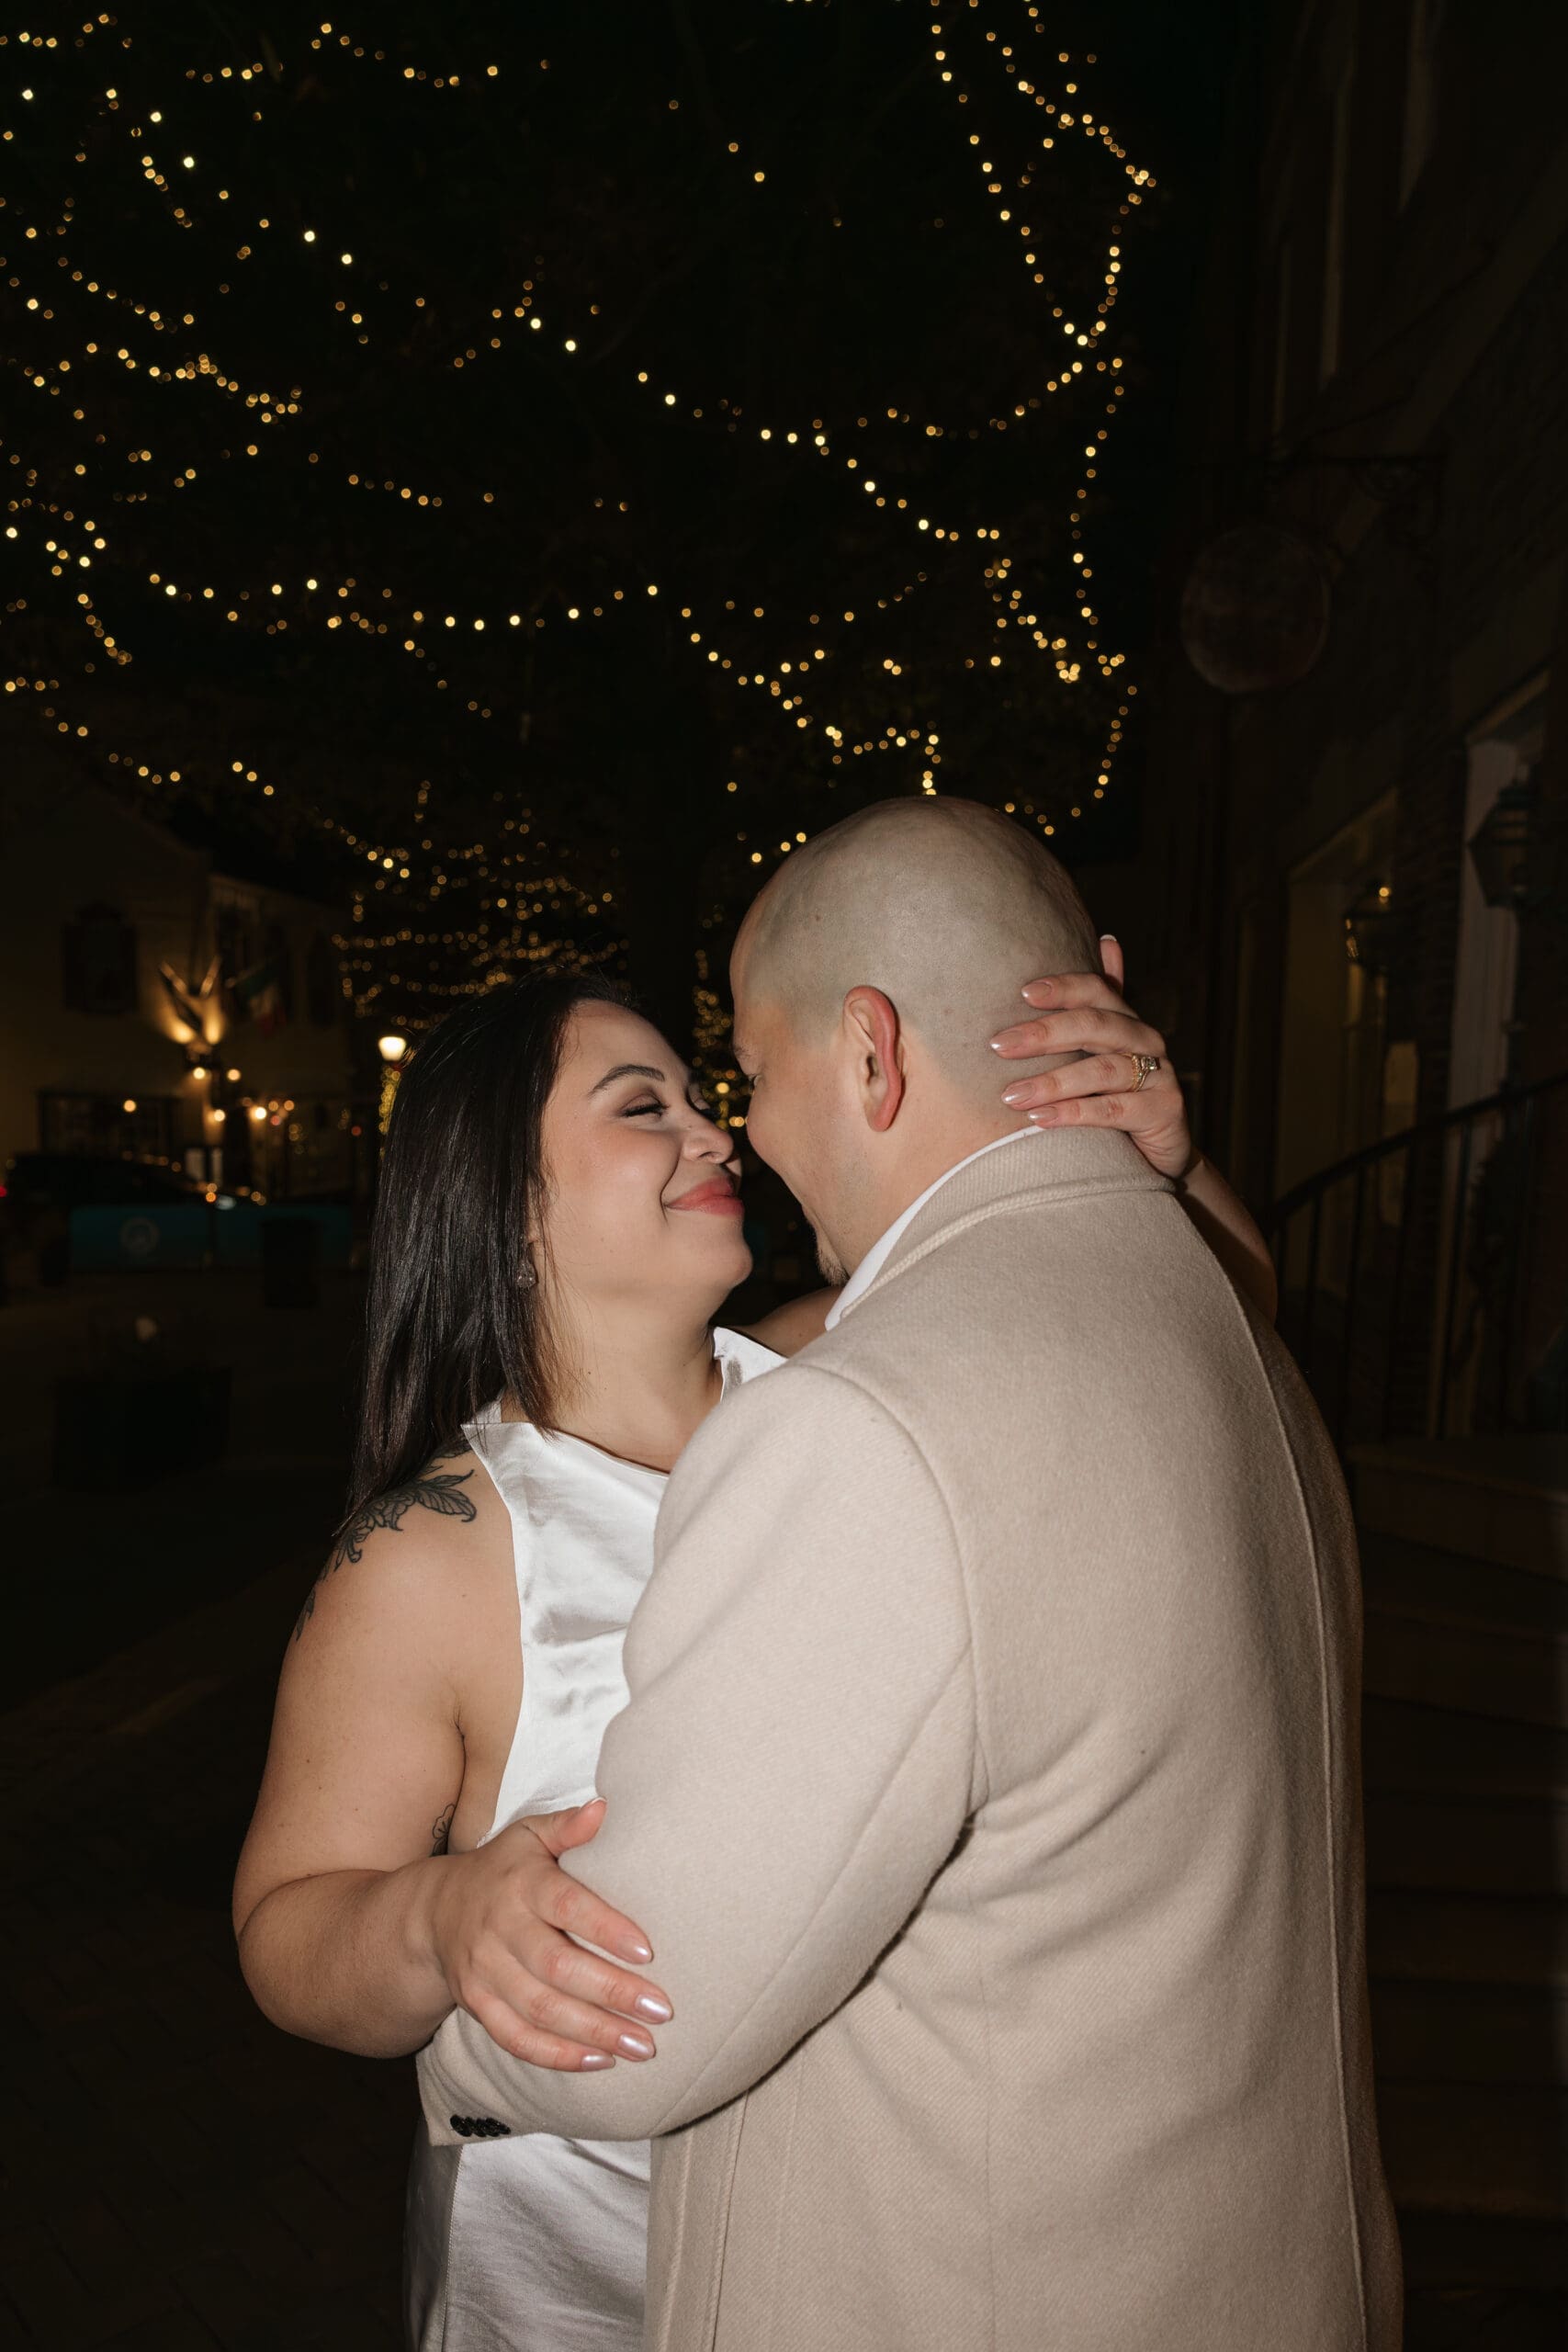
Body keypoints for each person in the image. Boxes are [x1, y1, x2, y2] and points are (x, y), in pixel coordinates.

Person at [231, 829, 1280, 2350]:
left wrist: (1164, 1165)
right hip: (580, 2277)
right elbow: (284, 1928)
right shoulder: (434, 1557)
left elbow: (1209, 1316)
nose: (719, 1135)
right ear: (501, 1197)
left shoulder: (839, 1381)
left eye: (705, 1095)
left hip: (855, 2242)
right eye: (641, 1107)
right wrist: (438, 1920)